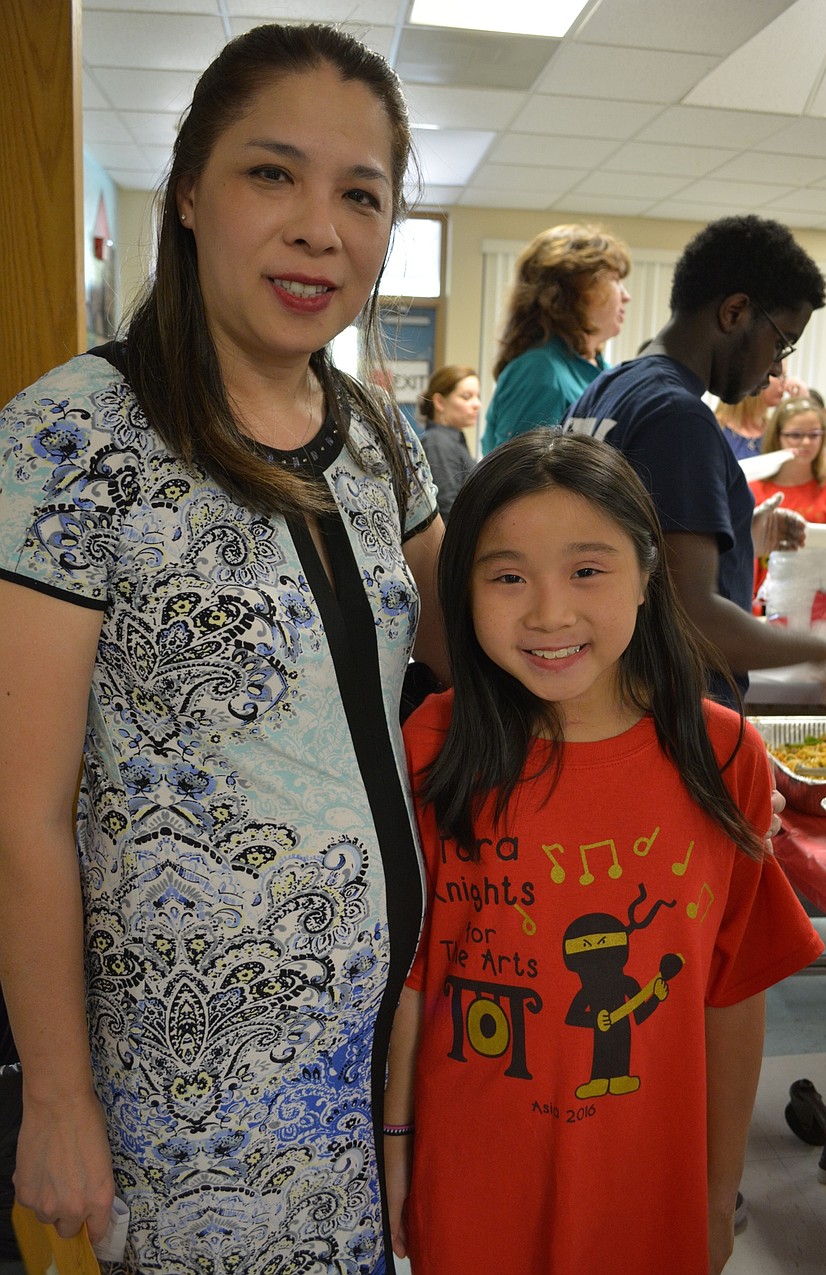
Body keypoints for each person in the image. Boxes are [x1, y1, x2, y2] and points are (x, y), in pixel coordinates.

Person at [0, 23, 449, 1274]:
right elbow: (16, 812)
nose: (322, 228)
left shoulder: (373, 432)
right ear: (190, 190)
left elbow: (468, 636)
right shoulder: (71, 438)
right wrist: (57, 1099)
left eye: (362, 194)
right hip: (203, 1091)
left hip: (394, 1042)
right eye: (273, 174)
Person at [384, 431, 823, 1275]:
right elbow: (411, 977)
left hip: (648, 1186)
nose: (549, 613)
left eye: (588, 570)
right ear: (462, 589)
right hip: (475, 1181)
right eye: (507, 576)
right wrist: (396, 1145)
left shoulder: (721, 755)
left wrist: (716, 1188)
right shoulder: (436, 747)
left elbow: (733, 992)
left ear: (650, 575)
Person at [561, 214, 826, 706]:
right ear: (735, 312)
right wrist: (823, 648)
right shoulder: (678, 415)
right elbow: (693, 619)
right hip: (669, 714)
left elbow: (635, 546)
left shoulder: (610, 388)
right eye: (780, 341)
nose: (779, 366)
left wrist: (739, 534)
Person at [481, 223, 631, 454]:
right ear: (572, 293)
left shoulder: (599, 368)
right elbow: (521, 480)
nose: (626, 296)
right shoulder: (540, 371)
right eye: (614, 280)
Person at [749, 396, 826, 600]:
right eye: (795, 435)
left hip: (820, 603)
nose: (806, 442)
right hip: (764, 602)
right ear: (777, 436)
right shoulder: (754, 490)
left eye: (814, 435)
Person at [416, 364, 479, 518]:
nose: (477, 404)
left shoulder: (452, 439)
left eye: (478, 397)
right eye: (466, 397)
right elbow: (447, 507)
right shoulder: (437, 443)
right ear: (439, 402)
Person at [714, 364, 787, 460]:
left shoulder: (775, 430)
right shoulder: (714, 429)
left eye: (785, 377)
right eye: (778, 375)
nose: (784, 383)